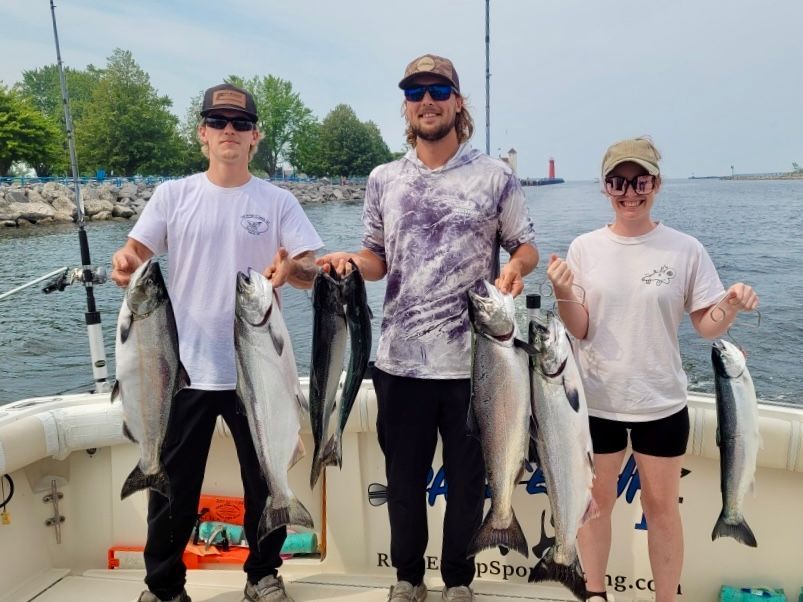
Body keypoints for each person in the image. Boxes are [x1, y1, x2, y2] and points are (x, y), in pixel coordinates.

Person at [318, 54, 539, 602]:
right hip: (398, 362)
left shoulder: (496, 177)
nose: (427, 100)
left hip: (476, 365)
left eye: (439, 89)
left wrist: (515, 267)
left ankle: (459, 582)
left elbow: (526, 245)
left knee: (468, 484)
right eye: (416, 92)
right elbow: (377, 259)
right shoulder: (383, 179)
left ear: (458, 102)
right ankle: (408, 580)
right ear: (406, 107)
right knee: (404, 484)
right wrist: (350, 261)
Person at [110, 82, 323, 602]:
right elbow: (138, 249)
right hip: (182, 368)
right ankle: (163, 586)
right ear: (202, 133)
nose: (230, 131)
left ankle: (263, 575)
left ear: (256, 137)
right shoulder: (173, 195)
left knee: (265, 480)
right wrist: (126, 260)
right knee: (171, 487)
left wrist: (292, 266)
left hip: (259, 370)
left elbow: (313, 269)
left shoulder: (277, 200)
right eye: (219, 122)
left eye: (241, 124)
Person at [546, 137, 759, 602]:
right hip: (595, 401)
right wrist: (563, 292)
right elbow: (579, 329)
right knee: (594, 505)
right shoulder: (584, 247)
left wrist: (731, 305)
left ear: (657, 183)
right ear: (604, 187)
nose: (629, 192)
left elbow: (707, 326)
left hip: (660, 402)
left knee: (662, 508)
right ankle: (596, 593)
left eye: (640, 180)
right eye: (617, 182)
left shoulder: (684, 249)